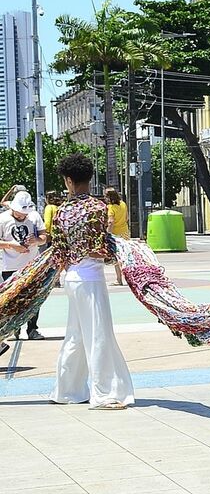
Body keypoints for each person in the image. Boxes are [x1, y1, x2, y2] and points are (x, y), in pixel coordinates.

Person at [50, 153, 135, 409]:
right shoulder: (98, 208)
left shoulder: (61, 212)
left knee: (75, 335)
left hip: (72, 278)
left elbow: (60, 253)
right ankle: (105, 393)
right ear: (89, 178)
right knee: (98, 334)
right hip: (91, 278)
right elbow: (101, 250)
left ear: (68, 180)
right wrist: (122, 251)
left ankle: (67, 390)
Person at [0, 191, 47, 346]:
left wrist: (37, 240)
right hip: (10, 266)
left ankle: (32, 328)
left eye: (25, 214)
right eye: (20, 214)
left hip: (32, 264)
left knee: (33, 297)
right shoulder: (3, 219)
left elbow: (44, 237)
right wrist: (11, 245)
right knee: (13, 299)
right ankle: (15, 326)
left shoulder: (34, 217)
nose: (23, 216)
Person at [104, 188, 129, 286]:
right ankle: (128, 278)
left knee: (116, 258)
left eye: (106, 196)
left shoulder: (111, 207)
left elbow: (111, 222)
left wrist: (107, 234)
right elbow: (127, 218)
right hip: (125, 233)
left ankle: (119, 280)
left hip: (115, 234)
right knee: (124, 257)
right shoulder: (123, 204)